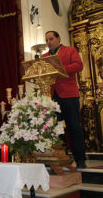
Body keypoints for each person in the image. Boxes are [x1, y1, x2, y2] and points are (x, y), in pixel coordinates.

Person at [41, 30, 86, 168]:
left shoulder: (70, 50)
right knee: (57, 129)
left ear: (58, 38)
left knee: (74, 127)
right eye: (47, 40)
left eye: (51, 39)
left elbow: (79, 65)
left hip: (70, 95)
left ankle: (80, 160)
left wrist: (60, 69)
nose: (49, 42)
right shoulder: (44, 56)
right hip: (53, 96)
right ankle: (62, 158)